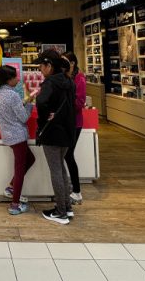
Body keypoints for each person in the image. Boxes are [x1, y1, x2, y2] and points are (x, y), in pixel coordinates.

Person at [34, 49, 75, 224]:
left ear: (49, 66)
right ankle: (67, 206)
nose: (40, 70)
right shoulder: (68, 81)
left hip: (52, 132)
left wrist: (45, 117)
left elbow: (41, 101)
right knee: (62, 169)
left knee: (56, 171)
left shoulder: (50, 82)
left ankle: (60, 212)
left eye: (41, 66)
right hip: (67, 131)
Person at [0, 65, 34, 215]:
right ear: (9, 79)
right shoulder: (13, 95)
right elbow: (24, 117)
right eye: (16, 77)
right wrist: (30, 103)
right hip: (18, 136)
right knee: (20, 169)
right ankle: (15, 205)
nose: (18, 79)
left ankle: (11, 187)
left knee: (31, 159)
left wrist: (24, 103)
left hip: (7, 135)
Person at [62, 51, 86, 205]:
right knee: (66, 154)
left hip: (74, 123)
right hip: (65, 122)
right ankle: (72, 187)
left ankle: (76, 190)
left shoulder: (79, 78)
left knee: (68, 154)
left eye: (65, 62)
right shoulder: (65, 77)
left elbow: (79, 102)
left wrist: (63, 105)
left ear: (72, 63)